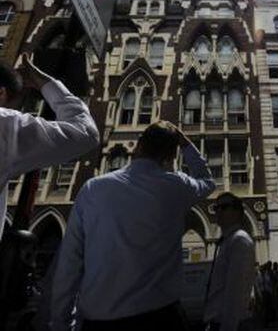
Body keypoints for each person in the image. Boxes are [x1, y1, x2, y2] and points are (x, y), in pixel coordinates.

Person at [50, 121, 215, 331]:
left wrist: (60, 322)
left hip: (101, 320)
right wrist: (185, 143)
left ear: (138, 146)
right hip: (162, 317)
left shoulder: (93, 189)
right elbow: (207, 182)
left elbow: (70, 262)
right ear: (172, 157)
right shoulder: (177, 186)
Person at [0, 55, 99, 238]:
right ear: (1, 93)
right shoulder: (6, 124)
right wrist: (44, 82)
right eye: (15, 103)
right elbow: (86, 133)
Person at [204, 192, 255, 331]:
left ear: (238, 212)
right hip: (216, 321)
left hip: (229, 324)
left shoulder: (240, 240)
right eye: (216, 207)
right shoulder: (226, 241)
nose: (218, 211)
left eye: (224, 207)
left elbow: (235, 291)